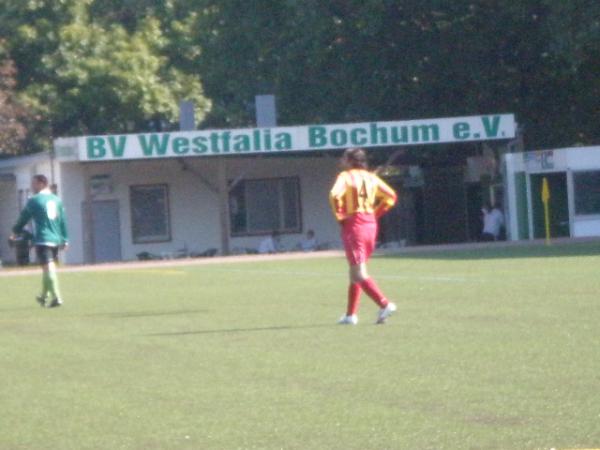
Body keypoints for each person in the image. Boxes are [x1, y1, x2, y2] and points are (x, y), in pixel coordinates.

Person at [329, 148, 398, 325]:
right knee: (355, 271)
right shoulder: (371, 177)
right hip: (370, 224)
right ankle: (351, 315)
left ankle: (384, 304)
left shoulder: (345, 177)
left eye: (344, 157)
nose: (342, 160)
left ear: (350, 160)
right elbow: (391, 196)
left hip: (355, 225)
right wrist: (375, 213)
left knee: (358, 272)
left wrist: (341, 216)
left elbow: (334, 195)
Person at [10, 175, 69, 308]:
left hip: (43, 238)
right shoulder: (56, 200)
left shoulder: (35, 200)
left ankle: (57, 296)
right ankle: (44, 295)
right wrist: (65, 238)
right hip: (55, 238)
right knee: (46, 268)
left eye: (34, 184)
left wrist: (15, 231)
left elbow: (23, 218)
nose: (32, 187)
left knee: (49, 267)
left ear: (42, 184)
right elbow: (62, 220)